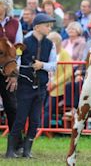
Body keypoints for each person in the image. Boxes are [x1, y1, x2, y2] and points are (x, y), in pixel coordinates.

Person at [6, 14, 57, 158]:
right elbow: (17, 60)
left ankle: (27, 151)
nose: (49, 28)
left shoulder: (50, 44)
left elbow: (54, 65)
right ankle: (11, 150)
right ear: (37, 27)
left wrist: (42, 65)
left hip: (41, 87)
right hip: (24, 86)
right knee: (20, 119)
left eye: (50, 25)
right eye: (46, 25)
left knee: (35, 120)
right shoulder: (24, 42)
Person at [0, 0, 23, 139]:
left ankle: (16, 143)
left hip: (9, 71)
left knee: (12, 107)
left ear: (6, 6)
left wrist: (14, 73)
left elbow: (18, 50)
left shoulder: (15, 23)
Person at [43, 32, 73, 128]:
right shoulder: (47, 53)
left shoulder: (64, 54)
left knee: (48, 108)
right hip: (46, 85)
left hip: (59, 88)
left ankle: (44, 129)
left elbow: (68, 72)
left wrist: (55, 83)